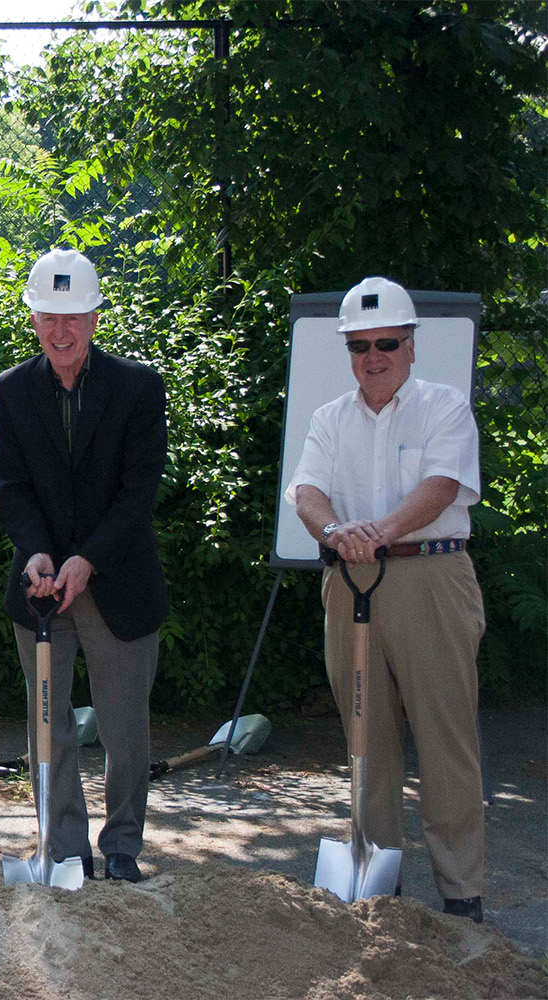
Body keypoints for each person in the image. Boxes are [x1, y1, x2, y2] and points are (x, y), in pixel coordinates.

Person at [287, 276, 486, 922]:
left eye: (387, 343)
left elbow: (442, 485)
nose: (374, 357)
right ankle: (380, 883)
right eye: (361, 345)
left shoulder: (444, 408)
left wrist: (381, 531)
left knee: (444, 738)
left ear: (410, 345)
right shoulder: (329, 419)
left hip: (430, 577)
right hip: (351, 583)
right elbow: (307, 492)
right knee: (365, 740)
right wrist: (333, 532)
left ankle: (462, 893)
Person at [0, 248, 167, 884]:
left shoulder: (138, 388)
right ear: (33, 318)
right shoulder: (11, 391)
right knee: (49, 726)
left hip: (117, 580)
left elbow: (139, 490)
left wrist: (87, 559)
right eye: (47, 318)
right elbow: (10, 483)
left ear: (95, 318)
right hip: (39, 587)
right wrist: (37, 550)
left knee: (125, 727)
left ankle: (121, 844)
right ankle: (65, 847)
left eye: (72, 318)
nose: (59, 331)